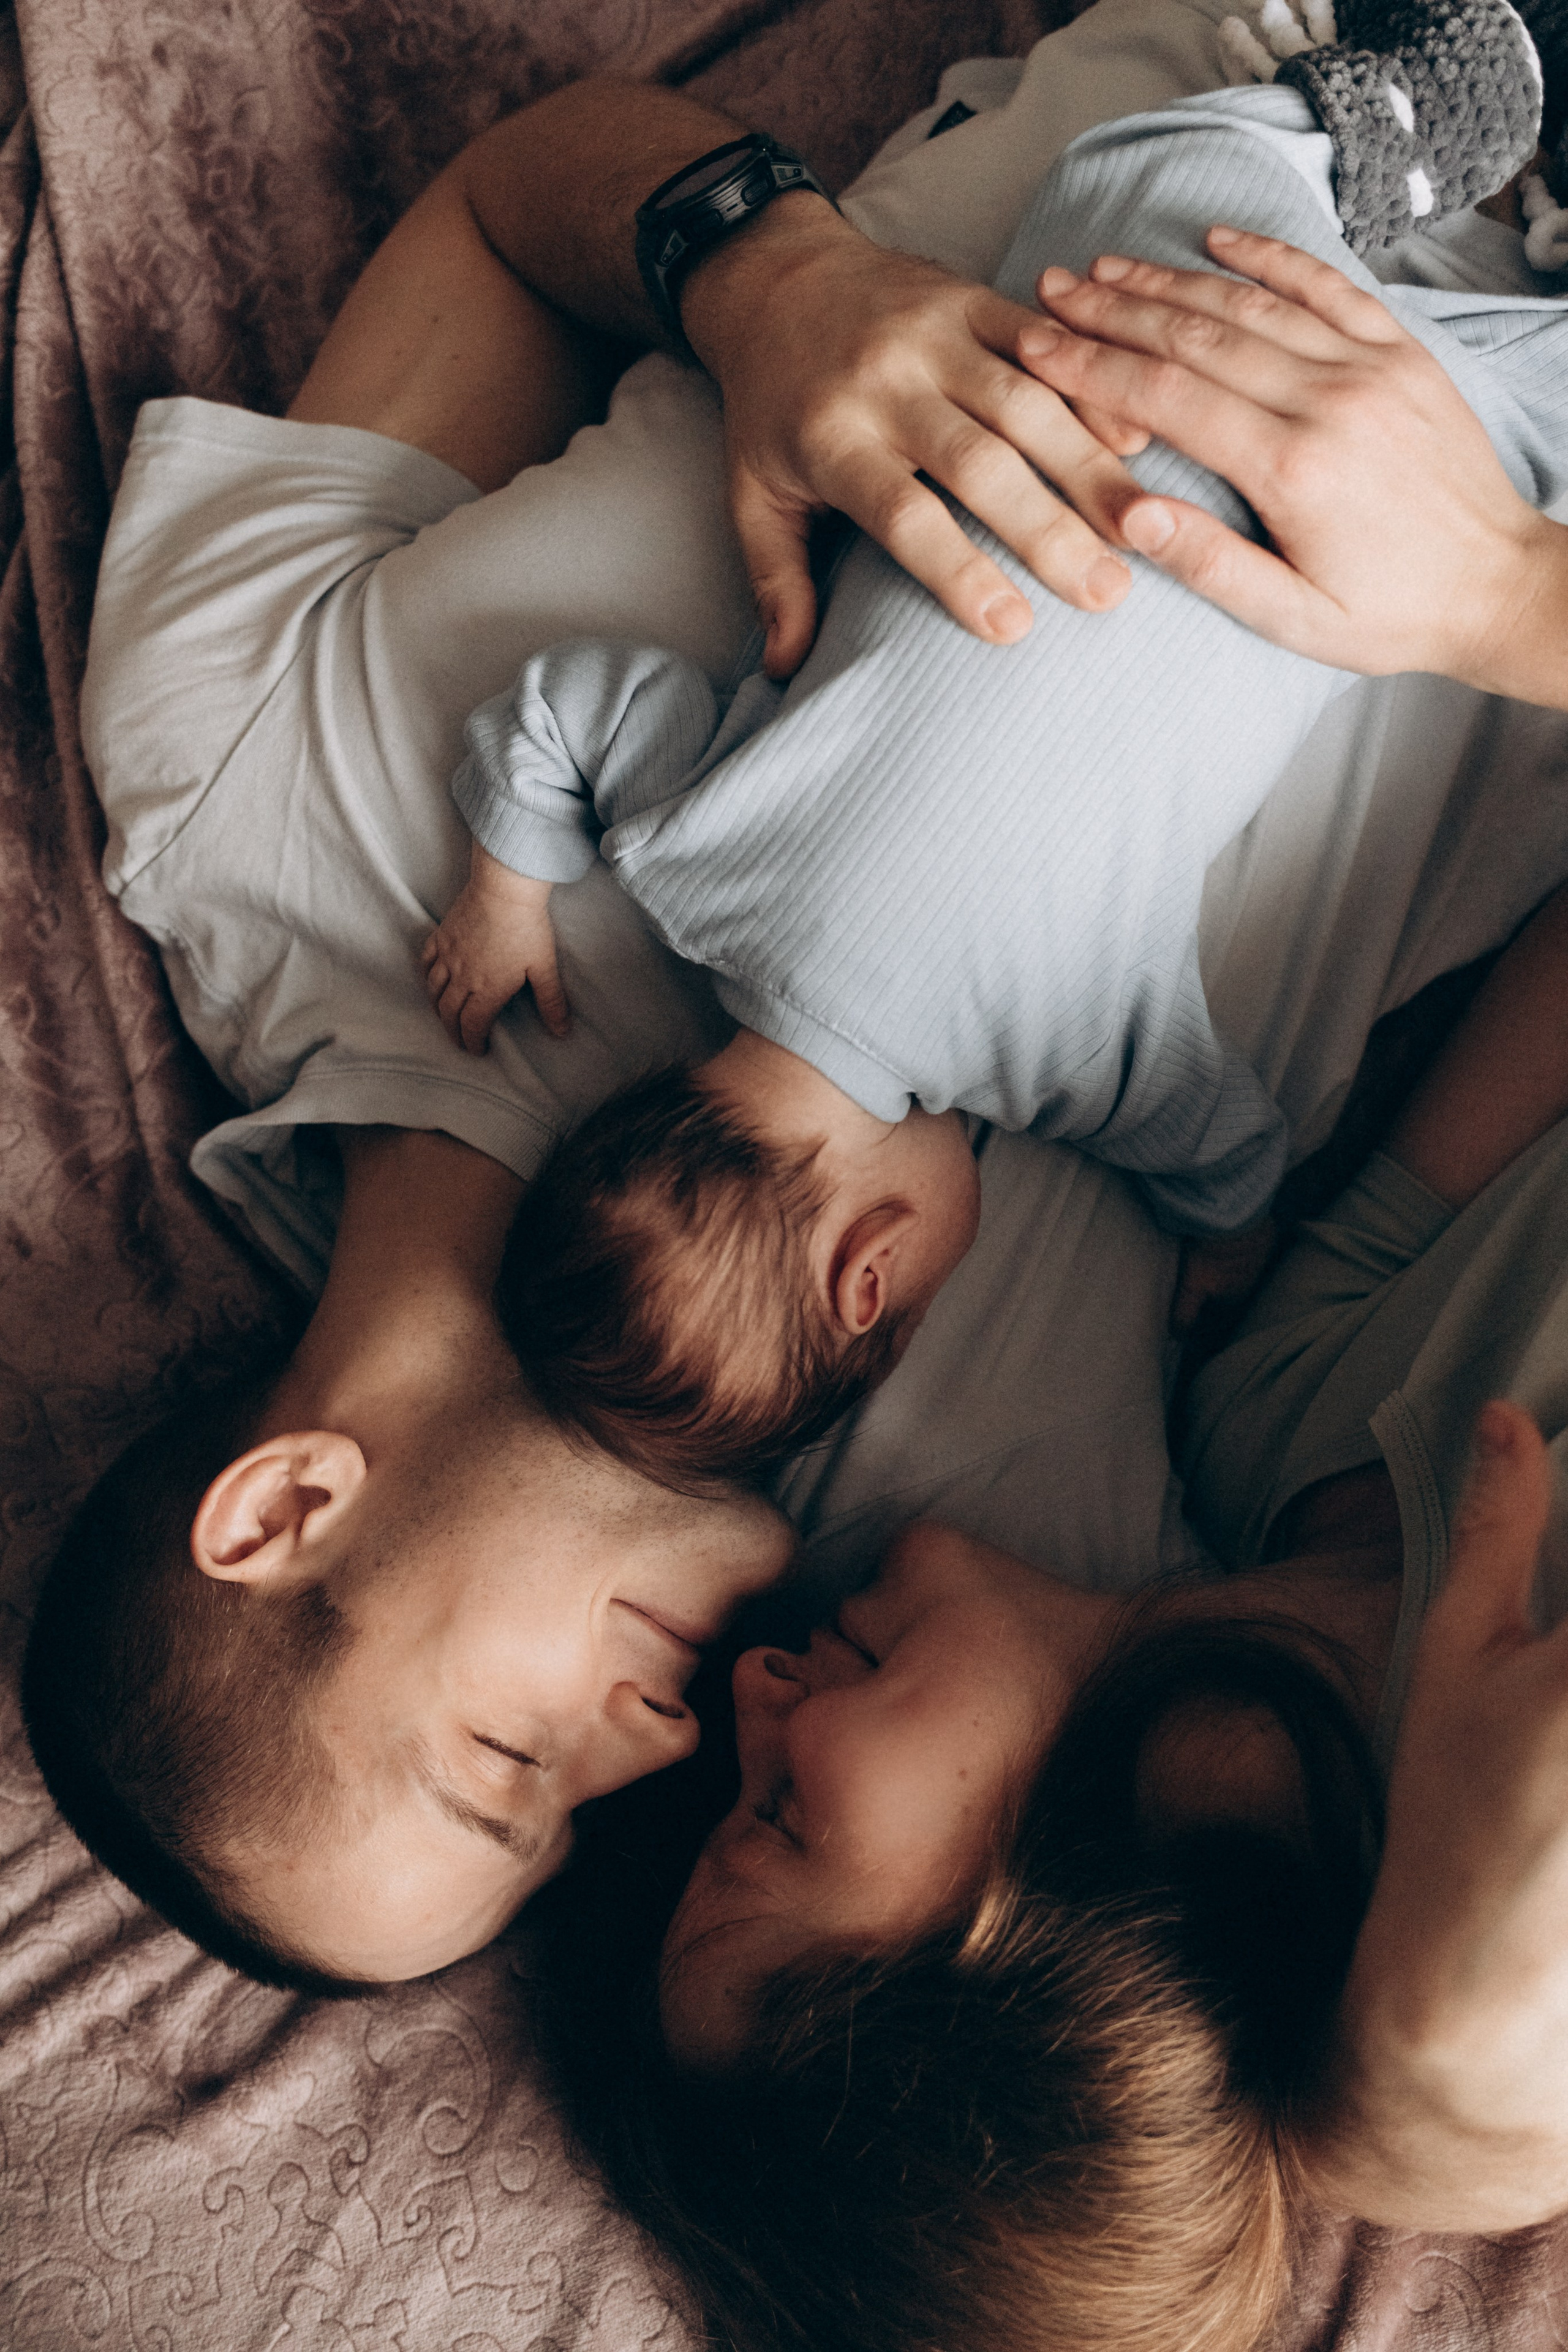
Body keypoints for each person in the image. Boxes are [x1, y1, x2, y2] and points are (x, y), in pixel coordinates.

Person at [21, 0, 1568, 1991]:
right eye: (576, 1824)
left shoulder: (228, 782)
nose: (656, 1747)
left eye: (508, 1759)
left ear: (290, 1508)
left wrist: (769, 277)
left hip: (1318, 86)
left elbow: (510, 205)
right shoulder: (985, 1532)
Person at [419, 7, 1567, 1489]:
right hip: (1128, 272)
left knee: (1515, 430)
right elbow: (560, 706)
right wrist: (504, 891)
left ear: (869, 1276)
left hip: (1393, 473)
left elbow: (1227, 1154)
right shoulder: (684, 861)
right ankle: (1404, 105)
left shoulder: (1067, 1063)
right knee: (1189, 177)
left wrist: (1230, 1259)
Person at [628, 877, 1568, 2352]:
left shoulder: (1257, 1426)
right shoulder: (1529, 1838)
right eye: (777, 1820)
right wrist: (1428, 2120)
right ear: (1053, 1997)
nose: (752, 1690)